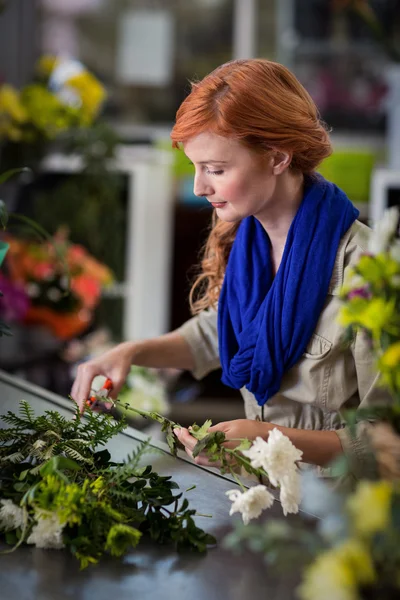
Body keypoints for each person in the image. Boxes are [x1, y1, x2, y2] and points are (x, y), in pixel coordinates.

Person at [71, 59, 389, 482]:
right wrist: (130, 353)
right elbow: (219, 333)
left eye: (216, 170)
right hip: (261, 502)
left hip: (338, 517)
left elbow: (387, 444)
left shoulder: (371, 273)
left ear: (277, 157)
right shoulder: (245, 239)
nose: (201, 188)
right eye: (196, 168)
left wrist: (271, 438)